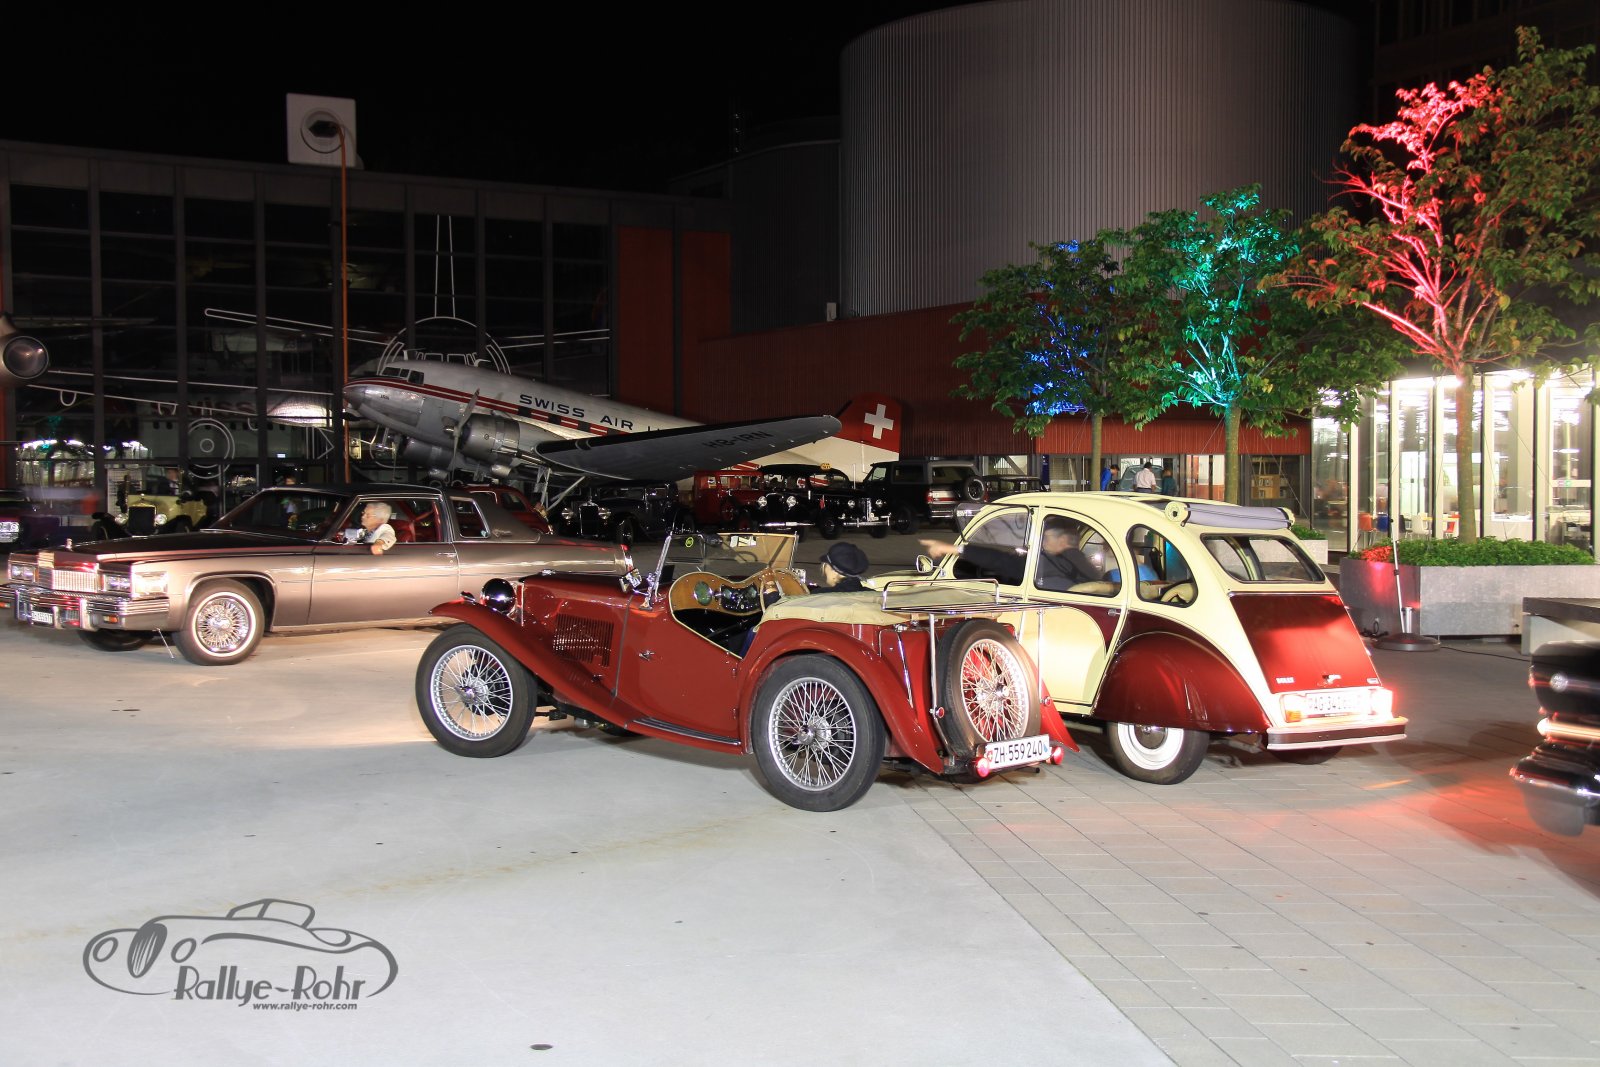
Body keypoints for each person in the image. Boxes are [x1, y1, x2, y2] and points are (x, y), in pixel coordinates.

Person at [920, 515, 1098, 590]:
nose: (1042, 543)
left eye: (1046, 537)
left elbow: (1001, 561)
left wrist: (952, 549)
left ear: (1063, 540)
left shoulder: (1049, 564)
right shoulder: (1082, 564)